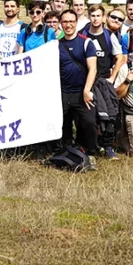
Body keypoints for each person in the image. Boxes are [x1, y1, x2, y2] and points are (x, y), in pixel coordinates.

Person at [57, 9, 98, 157]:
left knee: (89, 122)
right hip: (64, 92)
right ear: (61, 24)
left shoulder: (87, 43)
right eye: (65, 22)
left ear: (76, 23)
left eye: (71, 21)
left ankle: (91, 151)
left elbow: (92, 68)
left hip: (82, 92)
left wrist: (87, 90)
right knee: (63, 124)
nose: (68, 25)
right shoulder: (56, 45)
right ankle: (67, 150)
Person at [80, 5, 125, 82]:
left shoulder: (110, 35)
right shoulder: (81, 34)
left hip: (103, 80)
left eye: (98, 16)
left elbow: (120, 58)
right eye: (93, 16)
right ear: (89, 17)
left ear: (103, 17)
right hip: (84, 78)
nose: (95, 19)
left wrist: (112, 78)